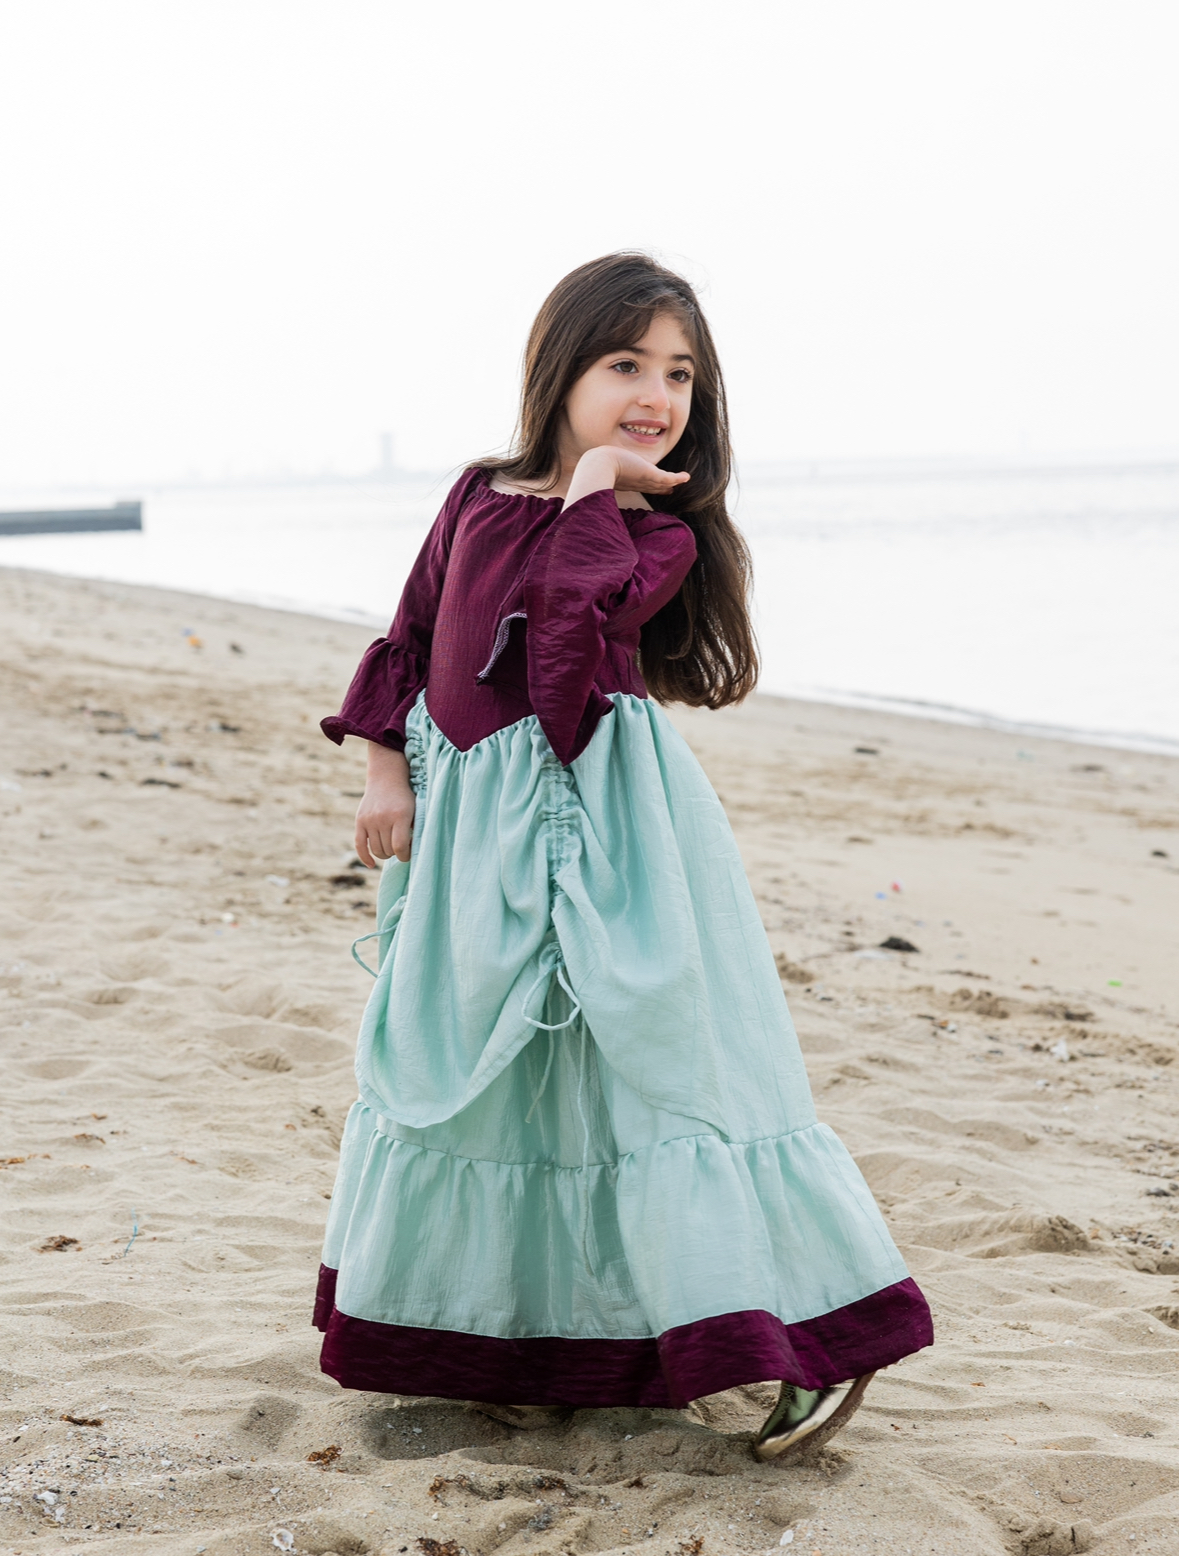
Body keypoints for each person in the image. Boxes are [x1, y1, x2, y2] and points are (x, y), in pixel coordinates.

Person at [314, 252, 932, 1460]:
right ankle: (526, 1340)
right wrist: (386, 770)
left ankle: (807, 1340)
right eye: (626, 364)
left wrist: (599, 483)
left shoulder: (652, 537)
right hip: (473, 832)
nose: (657, 394)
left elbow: (559, 658)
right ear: (560, 370)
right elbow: (415, 634)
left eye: (681, 374)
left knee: (660, 1065)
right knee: (495, 1075)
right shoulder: (477, 493)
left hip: (606, 826)